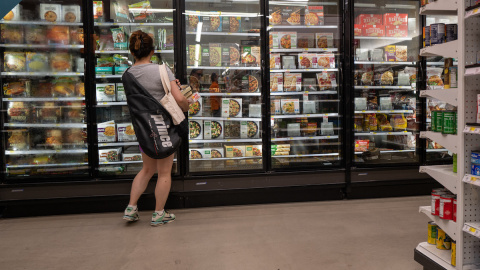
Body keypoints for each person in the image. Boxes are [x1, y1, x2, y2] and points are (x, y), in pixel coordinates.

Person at [122, 30, 189, 226]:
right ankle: (159, 213)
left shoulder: (127, 75)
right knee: (164, 172)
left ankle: (131, 208)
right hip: (163, 127)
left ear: (132, 52)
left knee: (147, 169)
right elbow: (178, 98)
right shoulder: (162, 70)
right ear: (152, 51)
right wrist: (186, 105)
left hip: (144, 130)